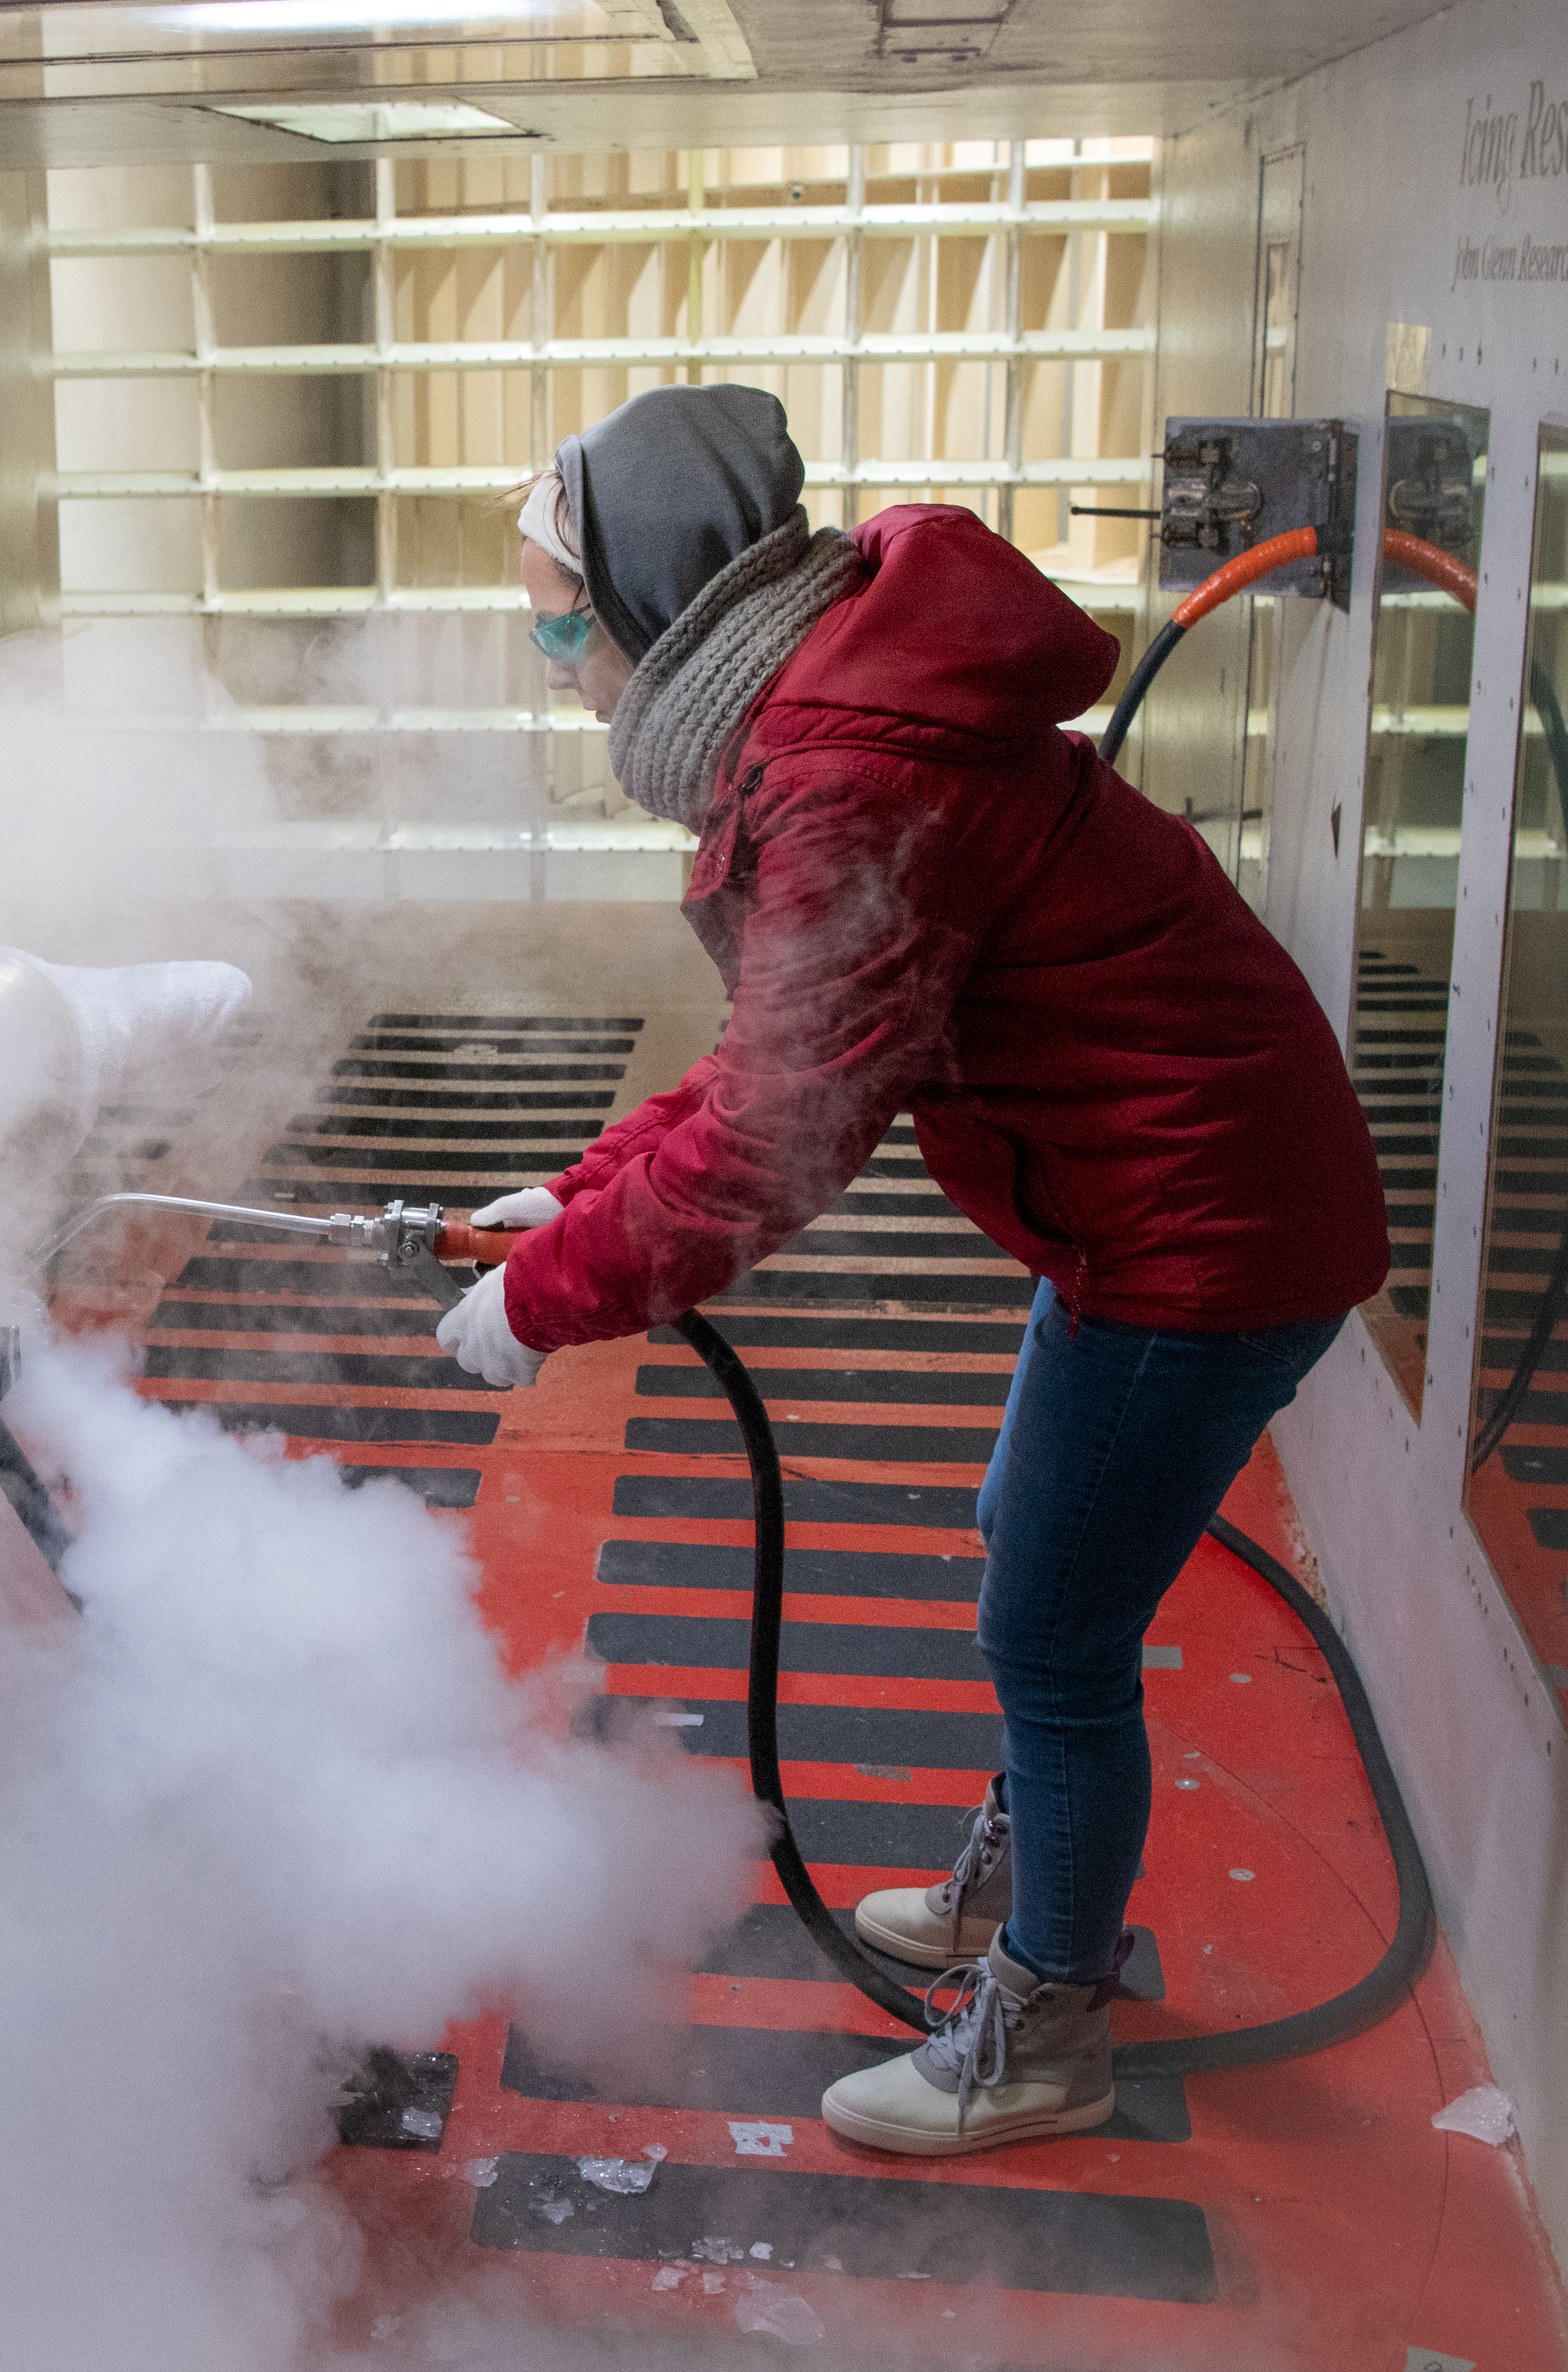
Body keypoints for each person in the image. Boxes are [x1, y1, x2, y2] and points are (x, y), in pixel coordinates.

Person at [432, 384, 1388, 2157]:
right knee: (1028, 1566)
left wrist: (549, 1297)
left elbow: (779, 1132)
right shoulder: (829, 713)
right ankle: (1022, 1900)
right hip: (1152, 1207)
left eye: (555, 612)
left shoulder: (847, 770)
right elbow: (779, 1050)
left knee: (1048, 1624)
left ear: (656, 602)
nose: (548, 652)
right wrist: (565, 1198)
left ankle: (1040, 2027)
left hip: (1204, 1238)